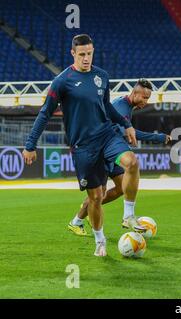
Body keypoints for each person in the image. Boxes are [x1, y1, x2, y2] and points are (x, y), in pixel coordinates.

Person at [22, 34, 141, 257]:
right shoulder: (62, 81)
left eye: (90, 54)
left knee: (131, 163)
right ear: (73, 54)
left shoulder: (102, 77)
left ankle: (129, 215)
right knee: (96, 197)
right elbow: (45, 113)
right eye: (82, 54)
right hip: (83, 146)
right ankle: (99, 241)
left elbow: (107, 107)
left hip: (106, 136)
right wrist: (30, 145)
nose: (87, 58)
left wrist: (126, 125)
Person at [68, 79, 172, 236]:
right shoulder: (122, 108)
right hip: (102, 151)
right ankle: (78, 221)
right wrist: (158, 137)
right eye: (144, 97)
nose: (146, 101)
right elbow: (128, 133)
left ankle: (82, 218)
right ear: (135, 93)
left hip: (111, 149)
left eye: (148, 98)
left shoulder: (125, 104)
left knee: (122, 187)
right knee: (100, 193)